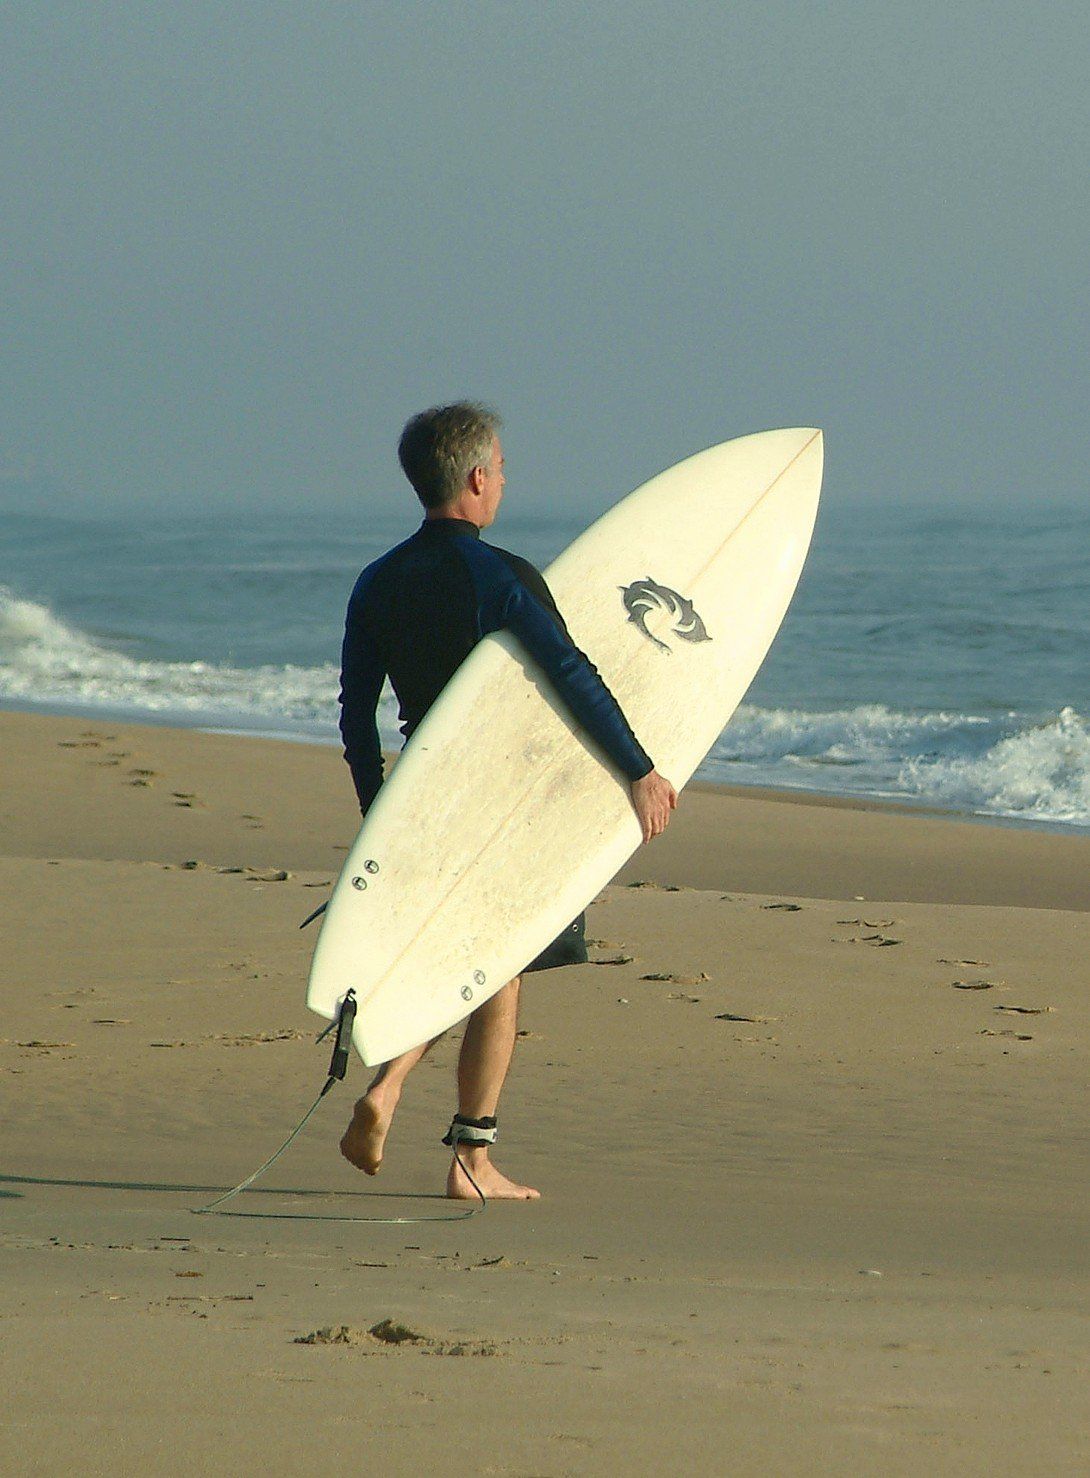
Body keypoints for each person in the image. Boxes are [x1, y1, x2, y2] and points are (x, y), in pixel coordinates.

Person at [337, 403, 677, 1199]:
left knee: (462, 958)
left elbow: (356, 712)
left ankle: (411, 1113)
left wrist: (375, 809)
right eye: (502, 471)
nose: (504, 484)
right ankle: (465, 1157)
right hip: (505, 800)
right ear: (478, 478)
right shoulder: (501, 577)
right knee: (498, 968)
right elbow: (572, 675)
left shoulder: (378, 581)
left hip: (420, 797)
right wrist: (639, 770)